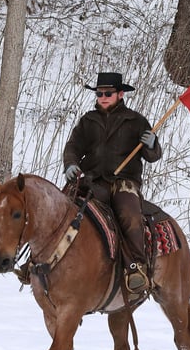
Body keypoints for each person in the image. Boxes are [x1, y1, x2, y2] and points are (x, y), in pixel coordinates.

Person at [63, 72, 162, 293]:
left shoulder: (136, 121)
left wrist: (151, 144)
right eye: (99, 93)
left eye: (108, 93)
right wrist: (70, 163)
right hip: (91, 180)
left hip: (123, 182)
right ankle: (38, 261)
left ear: (120, 94)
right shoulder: (88, 120)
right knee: (61, 208)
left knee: (128, 214)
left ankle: (137, 267)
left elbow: (153, 156)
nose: (103, 97)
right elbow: (73, 146)